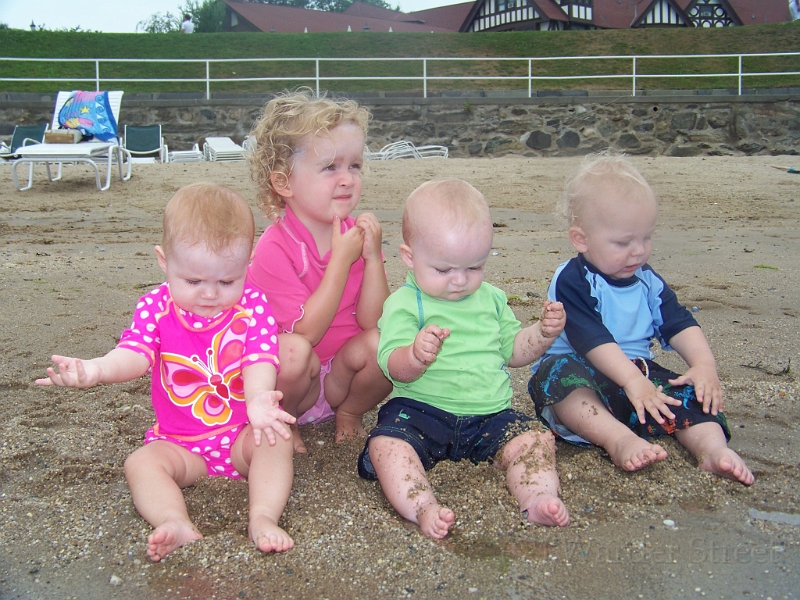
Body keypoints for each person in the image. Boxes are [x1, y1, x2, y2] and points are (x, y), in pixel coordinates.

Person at [36, 183, 297, 561]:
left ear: (248, 264)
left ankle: (263, 517)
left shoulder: (252, 305)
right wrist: (96, 370)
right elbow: (134, 354)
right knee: (140, 463)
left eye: (227, 281)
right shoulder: (155, 307)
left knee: (276, 441)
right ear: (164, 261)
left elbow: (259, 359)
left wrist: (258, 400)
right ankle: (174, 521)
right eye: (193, 281)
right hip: (179, 444)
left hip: (240, 436)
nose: (210, 294)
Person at [358, 179, 570, 540]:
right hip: (421, 413)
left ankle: (537, 497)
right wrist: (414, 355)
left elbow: (514, 351)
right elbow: (393, 367)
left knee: (535, 440)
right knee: (386, 446)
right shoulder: (405, 303)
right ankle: (422, 506)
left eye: (474, 268)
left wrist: (542, 334)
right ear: (410, 257)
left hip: (490, 415)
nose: (459, 281)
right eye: (444, 270)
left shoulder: (492, 299)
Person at [528, 151, 754, 486]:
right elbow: (591, 339)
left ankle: (711, 449)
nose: (638, 251)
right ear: (581, 239)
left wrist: (704, 365)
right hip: (584, 375)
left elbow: (679, 323)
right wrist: (632, 382)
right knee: (557, 377)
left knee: (691, 393)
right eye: (623, 242)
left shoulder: (647, 281)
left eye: (646, 238)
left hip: (641, 378)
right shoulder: (572, 280)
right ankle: (617, 439)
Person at [247, 90, 392, 453]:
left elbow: (374, 320)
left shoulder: (356, 234)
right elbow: (306, 332)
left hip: (343, 376)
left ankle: (350, 413)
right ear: (284, 183)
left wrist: (373, 259)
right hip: (296, 382)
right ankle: (287, 419)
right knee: (293, 350)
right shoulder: (274, 247)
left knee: (387, 343)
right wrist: (341, 261)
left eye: (354, 166)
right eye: (330, 167)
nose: (347, 179)